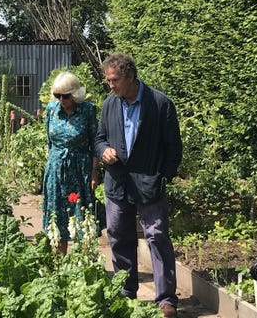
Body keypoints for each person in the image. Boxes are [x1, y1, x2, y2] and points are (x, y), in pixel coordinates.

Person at [95, 52, 182, 318]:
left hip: (149, 184)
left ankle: (166, 299)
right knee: (119, 237)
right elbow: (98, 139)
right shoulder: (110, 104)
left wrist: (162, 176)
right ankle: (126, 292)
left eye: (114, 80)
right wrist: (104, 151)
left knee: (157, 238)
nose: (111, 85)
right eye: (108, 81)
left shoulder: (159, 103)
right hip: (118, 184)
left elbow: (173, 147)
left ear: (130, 76)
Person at [42, 71, 100, 255]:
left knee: (81, 214)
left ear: (75, 93)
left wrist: (93, 172)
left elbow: (95, 143)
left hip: (80, 169)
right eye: (57, 95)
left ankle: (84, 263)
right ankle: (59, 262)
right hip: (56, 170)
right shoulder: (51, 109)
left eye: (65, 96)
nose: (61, 99)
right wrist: (52, 166)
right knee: (56, 214)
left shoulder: (88, 110)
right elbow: (49, 141)